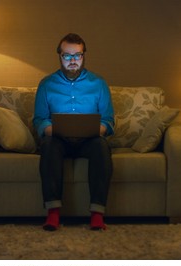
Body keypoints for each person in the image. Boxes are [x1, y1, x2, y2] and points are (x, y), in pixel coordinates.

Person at [33, 33, 115, 231]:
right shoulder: (46, 84)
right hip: (58, 140)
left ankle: (97, 215)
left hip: (89, 141)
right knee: (49, 145)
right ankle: (53, 214)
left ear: (84, 55)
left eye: (77, 55)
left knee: (101, 146)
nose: (72, 61)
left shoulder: (99, 83)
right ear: (59, 56)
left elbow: (108, 120)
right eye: (67, 56)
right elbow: (39, 119)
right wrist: (52, 129)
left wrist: (98, 129)